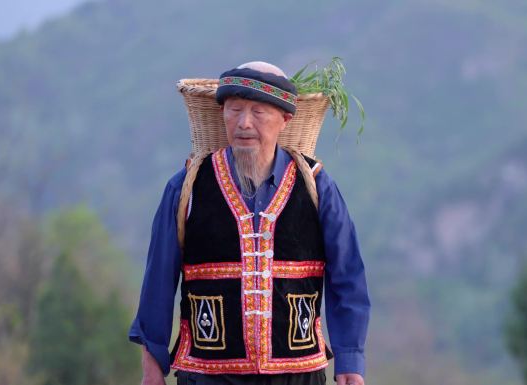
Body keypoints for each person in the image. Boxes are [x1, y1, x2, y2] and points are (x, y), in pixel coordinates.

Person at [129, 61, 370, 385]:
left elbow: (347, 275)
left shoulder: (316, 186)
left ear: (285, 119)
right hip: (208, 376)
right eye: (234, 109)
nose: (244, 123)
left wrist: (349, 360)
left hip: (297, 375)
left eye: (258, 112)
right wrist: (152, 368)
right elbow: (158, 280)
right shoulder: (187, 187)